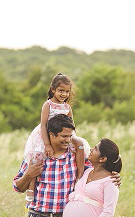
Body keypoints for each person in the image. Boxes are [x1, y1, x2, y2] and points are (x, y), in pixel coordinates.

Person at [20, 73, 88, 202]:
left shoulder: (67, 107)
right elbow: (44, 124)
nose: (64, 94)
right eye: (61, 91)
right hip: (47, 133)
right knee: (37, 155)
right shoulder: (48, 105)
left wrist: (72, 138)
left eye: (67, 92)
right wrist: (47, 144)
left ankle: (79, 176)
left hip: (65, 133)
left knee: (80, 144)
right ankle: (31, 185)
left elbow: (71, 124)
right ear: (53, 90)